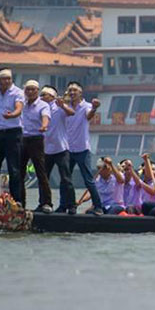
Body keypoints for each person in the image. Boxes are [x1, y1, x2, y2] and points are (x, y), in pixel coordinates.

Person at [65, 81, 103, 215]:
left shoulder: (86, 106)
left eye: (75, 90)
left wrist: (94, 108)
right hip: (68, 149)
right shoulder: (65, 107)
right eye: (70, 90)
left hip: (82, 148)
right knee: (66, 179)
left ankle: (98, 206)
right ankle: (68, 205)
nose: (72, 93)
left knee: (88, 180)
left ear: (80, 93)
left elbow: (89, 115)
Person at [0, 68, 25, 202]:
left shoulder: (18, 92)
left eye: (9, 78)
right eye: (4, 78)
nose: (7, 81)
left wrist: (13, 115)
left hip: (13, 133)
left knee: (14, 168)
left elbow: (19, 108)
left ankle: (16, 200)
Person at [40, 86, 76, 214]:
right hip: (46, 149)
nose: (42, 96)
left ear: (52, 96)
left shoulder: (58, 107)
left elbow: (71, 113)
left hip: (61, 149)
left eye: (44, 94)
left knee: (66, 178)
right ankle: (43, 203)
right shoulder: (40, 108)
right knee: (43, 178)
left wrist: (63, 106)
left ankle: (71, 205)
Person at [19, 80, 52, 213]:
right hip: (21, 139)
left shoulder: (43, 105)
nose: (31, 92)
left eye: (33, 89)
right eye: (28, 89)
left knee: (41, 172)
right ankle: (20, 202)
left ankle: (46, 202)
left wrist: (44, 126)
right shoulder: (22, 104)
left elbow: (45, 117)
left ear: (37, 91)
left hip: (36, 139)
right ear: (25, 91)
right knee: (19, 173)